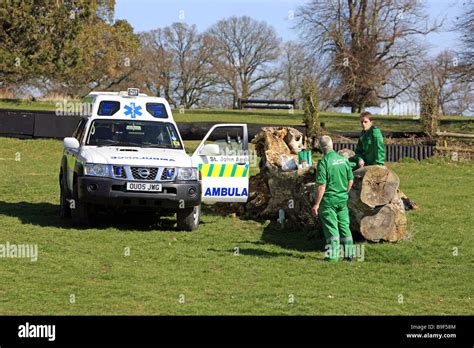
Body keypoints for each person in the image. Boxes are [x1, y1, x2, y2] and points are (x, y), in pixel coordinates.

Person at [311, 136, 355, 262]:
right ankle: (349, 254)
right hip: (342, 199)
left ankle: (333, 256)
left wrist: (316, 204)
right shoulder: (343, 160)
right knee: (344, 226)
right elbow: (350, 180)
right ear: (332, 145)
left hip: (328, 201)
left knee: (331, 228)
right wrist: (344, 192)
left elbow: (321, 185)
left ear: (320, 147)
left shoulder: (324, 162)